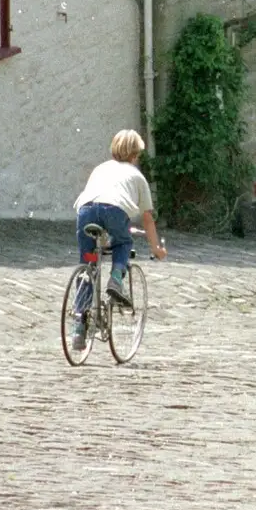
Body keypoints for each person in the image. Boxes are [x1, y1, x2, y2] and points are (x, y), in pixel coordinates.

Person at [71, 130, 166, 350]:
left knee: (88, 265)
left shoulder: (100, 168)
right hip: (114, 212)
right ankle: (116, 278)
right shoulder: (136, 176)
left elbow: (96, 200)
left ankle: (78, 326)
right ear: (135, 155)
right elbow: (148, 219)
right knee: (123, 243)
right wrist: (157, 248)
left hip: (85, 212)